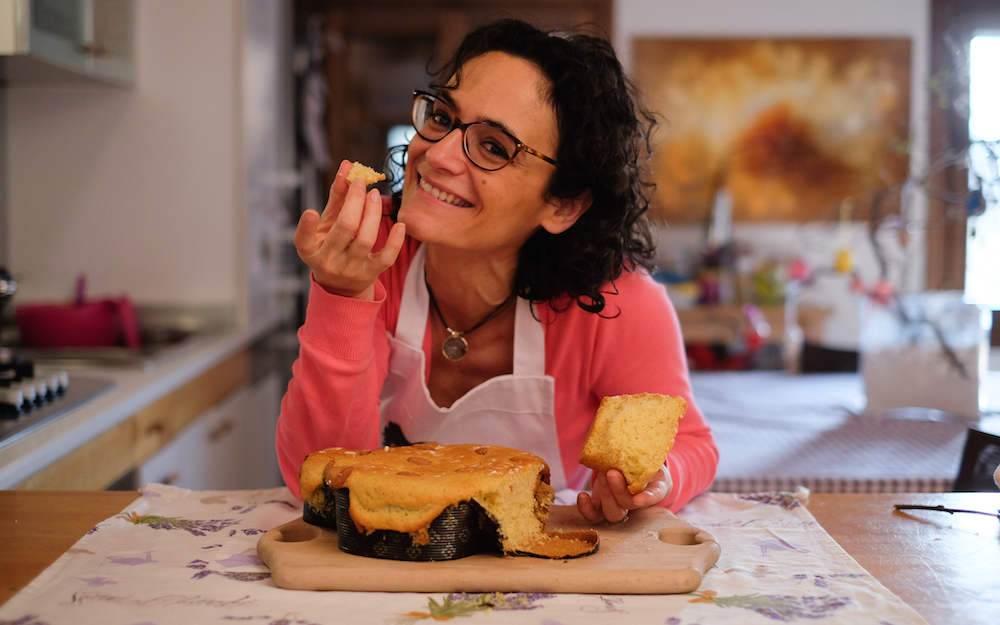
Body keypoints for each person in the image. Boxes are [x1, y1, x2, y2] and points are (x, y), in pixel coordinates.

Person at [276, 18, 718, 523]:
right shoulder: (370, 260)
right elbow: (316, 477)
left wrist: (653, 480)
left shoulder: (615, 306)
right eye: (442, 117)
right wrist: (343, 295)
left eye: (493, 147)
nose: (437, 154)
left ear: (563, 204)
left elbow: (691, 445)